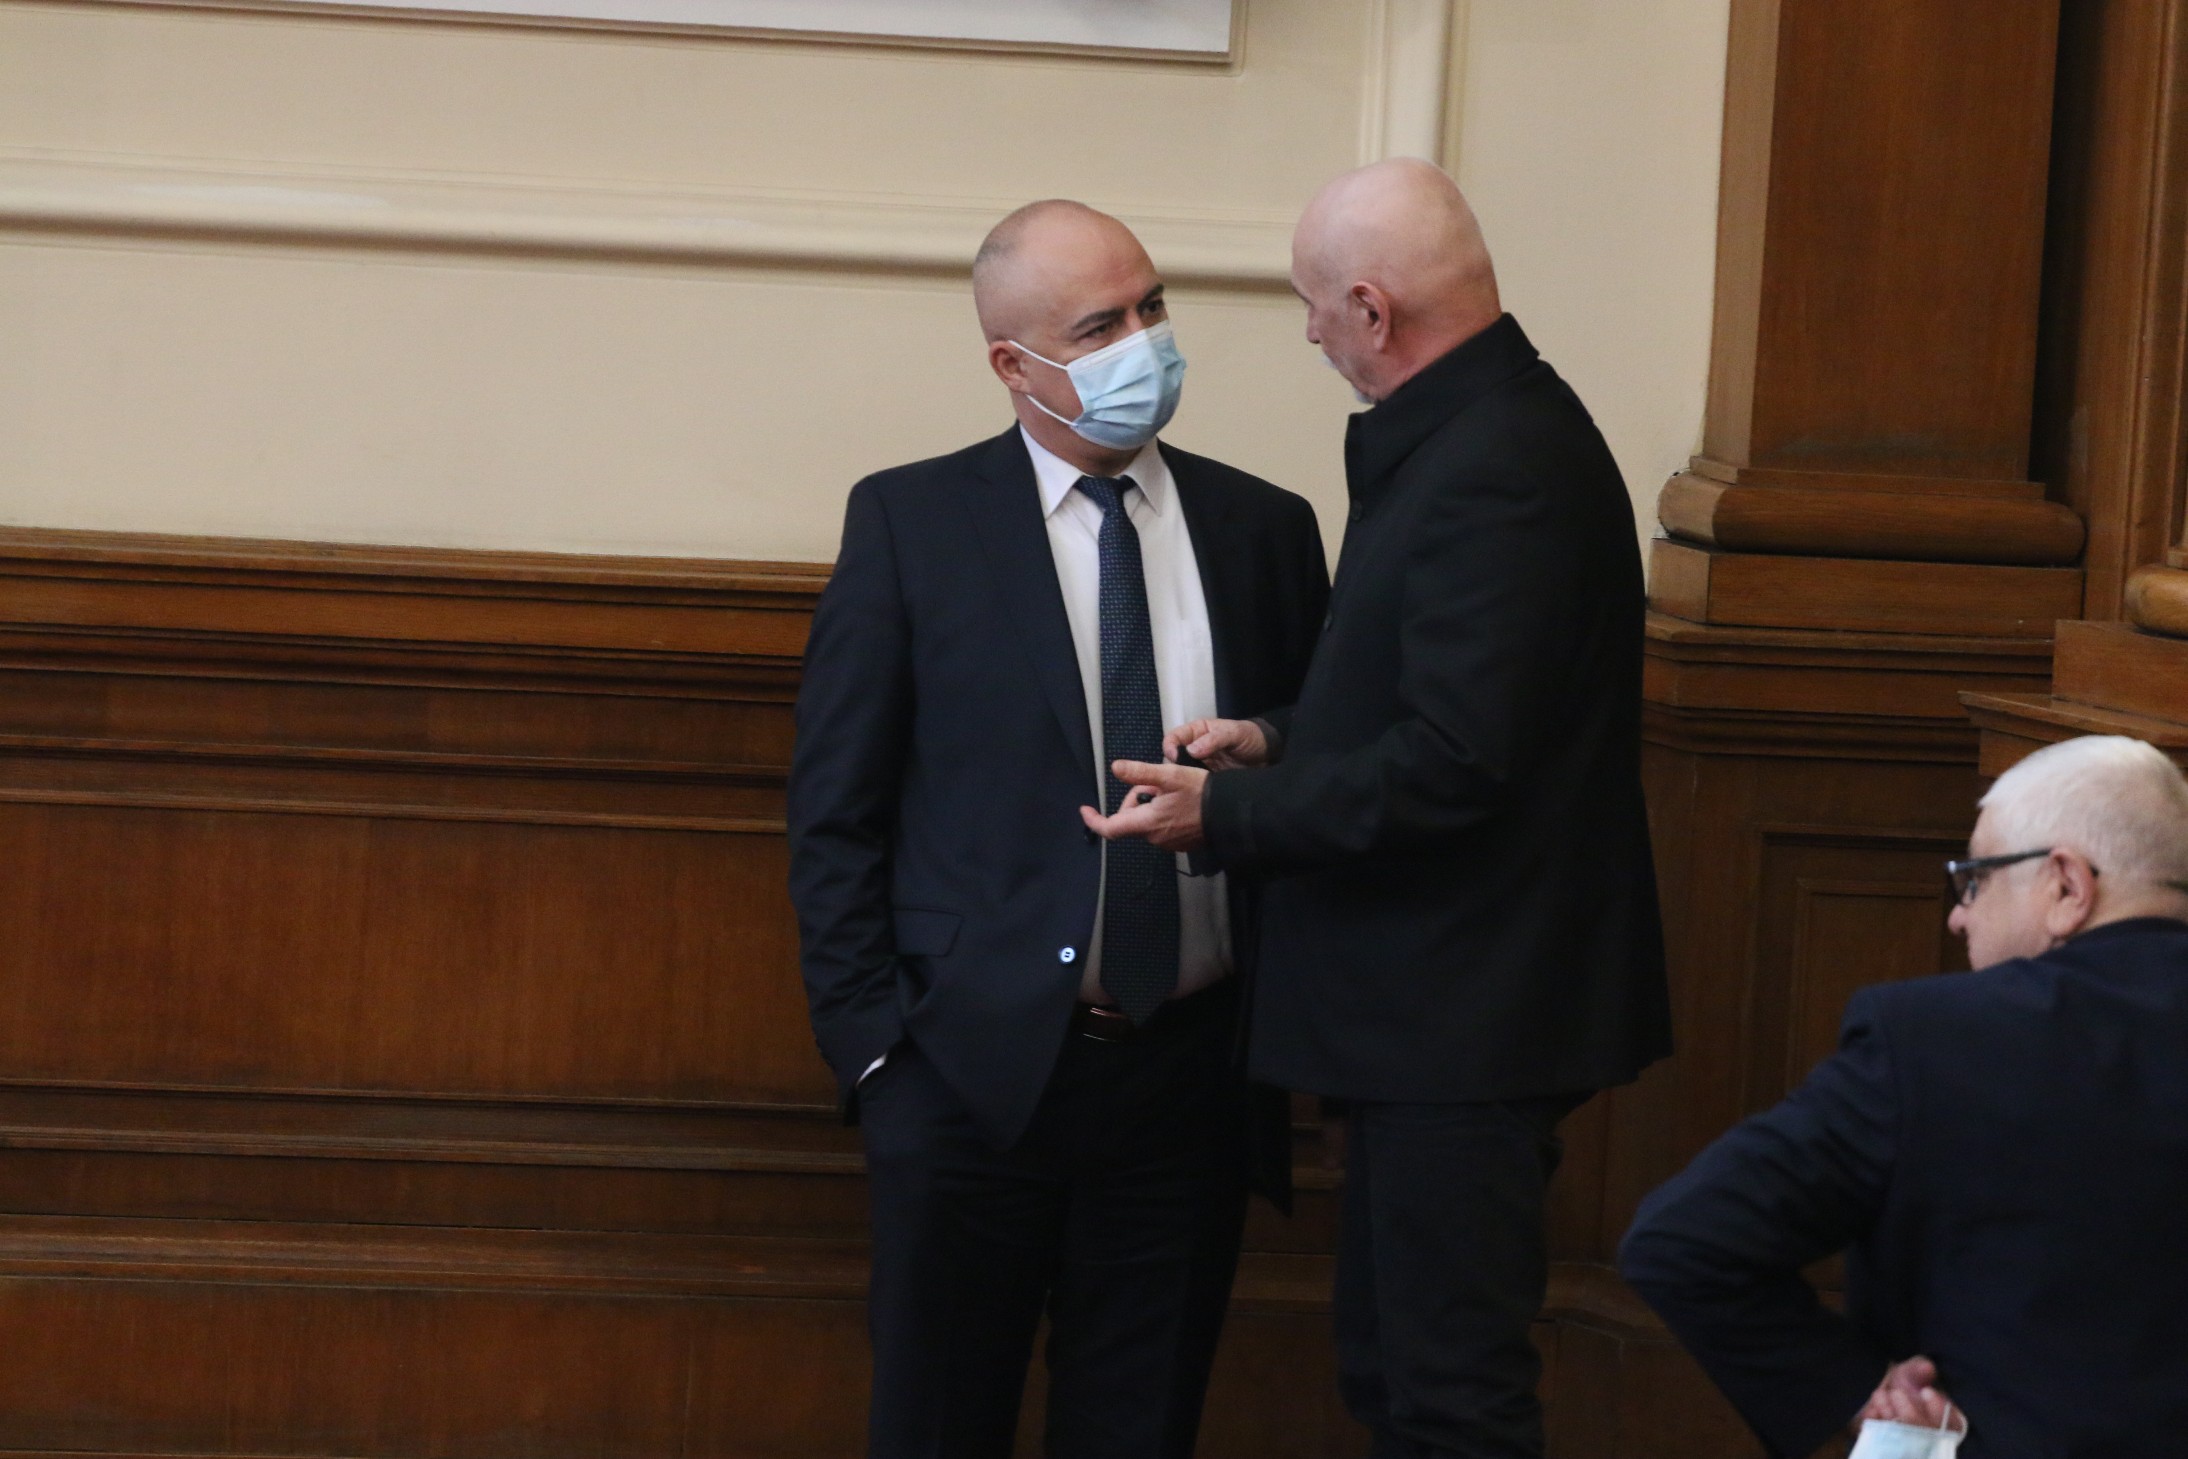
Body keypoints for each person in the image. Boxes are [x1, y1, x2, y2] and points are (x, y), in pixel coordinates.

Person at [1083, 158, 1672, 1457]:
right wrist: (1273, 738)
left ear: (1371, 306)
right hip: (1438, 1015)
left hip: (1466, 1016)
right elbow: (1438, 696)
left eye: (1312, 304)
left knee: (1445, 1395)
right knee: (1395, 1371)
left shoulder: (1497, 462)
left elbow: (1458, 760)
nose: (1307, 333)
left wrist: (1225, 815)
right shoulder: (1477, 430)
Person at [787, 198, 1329, 1459]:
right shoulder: (914, 524)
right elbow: (836, 810)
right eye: (1101, 326)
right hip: (967, 1075)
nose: (1145, 342)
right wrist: (878, 1059)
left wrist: (1263, 749)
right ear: (1013, 363)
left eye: (1153, 306)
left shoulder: (1265, 528)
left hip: (1188, 1077)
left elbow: (1323, 745)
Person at [1619, 734, 2188, 1458]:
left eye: (1975, 880)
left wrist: (1856, 1388)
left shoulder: (1934, 1038)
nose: (1958, 916)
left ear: (2067, 885)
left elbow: (1683, 1239)